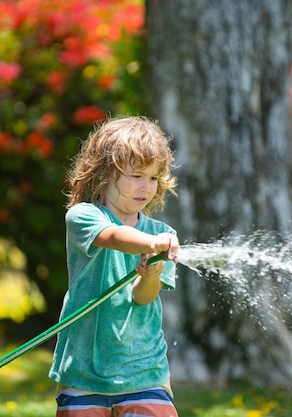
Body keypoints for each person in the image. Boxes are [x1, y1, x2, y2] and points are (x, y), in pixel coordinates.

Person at [49, 116, 181, 417]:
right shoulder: (83, 216)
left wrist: (152, 273)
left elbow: (143, 297)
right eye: (136, 175)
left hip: (144, 370)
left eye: (153, 177)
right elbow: (112, 237)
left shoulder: (164, 234)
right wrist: (151, 245)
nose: (145, 186)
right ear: (106, 173)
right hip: (83, 372)